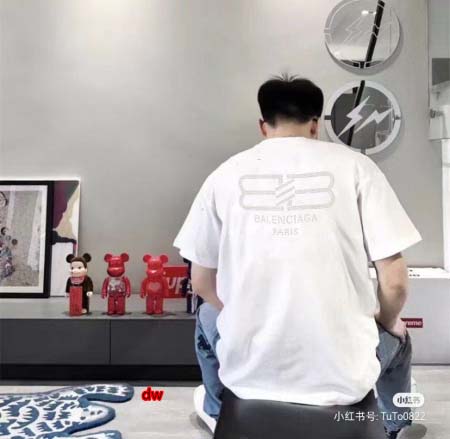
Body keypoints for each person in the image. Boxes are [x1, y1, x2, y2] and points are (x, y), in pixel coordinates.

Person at [173, 75, 421, 439]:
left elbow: (201, 282)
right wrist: (384, 322)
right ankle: (394, 425)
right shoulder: (357, 168)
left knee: (207, 315)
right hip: (344, 380)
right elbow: (396, 283)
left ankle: (215, 410)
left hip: (249, 378)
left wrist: (243, 313)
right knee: (399, 337)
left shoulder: (224, 175)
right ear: (315, 125)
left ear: (263, 125)